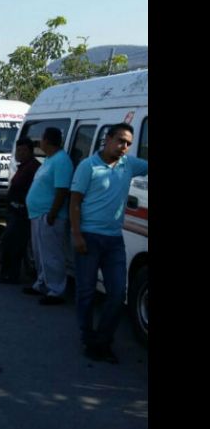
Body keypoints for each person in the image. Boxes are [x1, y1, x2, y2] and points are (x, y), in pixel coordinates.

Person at [70, 123, 147, 364]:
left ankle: (102, 341)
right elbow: (74, 203)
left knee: (117, 293)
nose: (124, 147)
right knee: (86, 292)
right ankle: (87, 336)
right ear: (108, 138)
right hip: (89, 237)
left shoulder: (129, 165)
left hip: (114, 240)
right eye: (121, 141)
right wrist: (77, 235)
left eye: (128, 143)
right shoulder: (88, 167)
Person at [23, 127, 74, 305]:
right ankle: (42, 283)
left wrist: (53, 213)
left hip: (50, 215)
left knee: (52, 254)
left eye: (42, 140)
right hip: (38, 213)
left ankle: (56, 290)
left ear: (47, 140)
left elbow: (61, 190)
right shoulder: (49, 160)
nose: (40, 143)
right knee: (40, 253)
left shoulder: (61, 161)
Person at [0, 137, 41, 284]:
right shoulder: (23, 166)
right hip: (14, 211)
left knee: (12, 244)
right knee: (10, 243)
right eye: (18, 150)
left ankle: (10, 274)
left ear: (30, 152)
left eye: (23, 150)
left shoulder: (33, 167)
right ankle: (8, 273)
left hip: (22, 212)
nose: (19, 153)